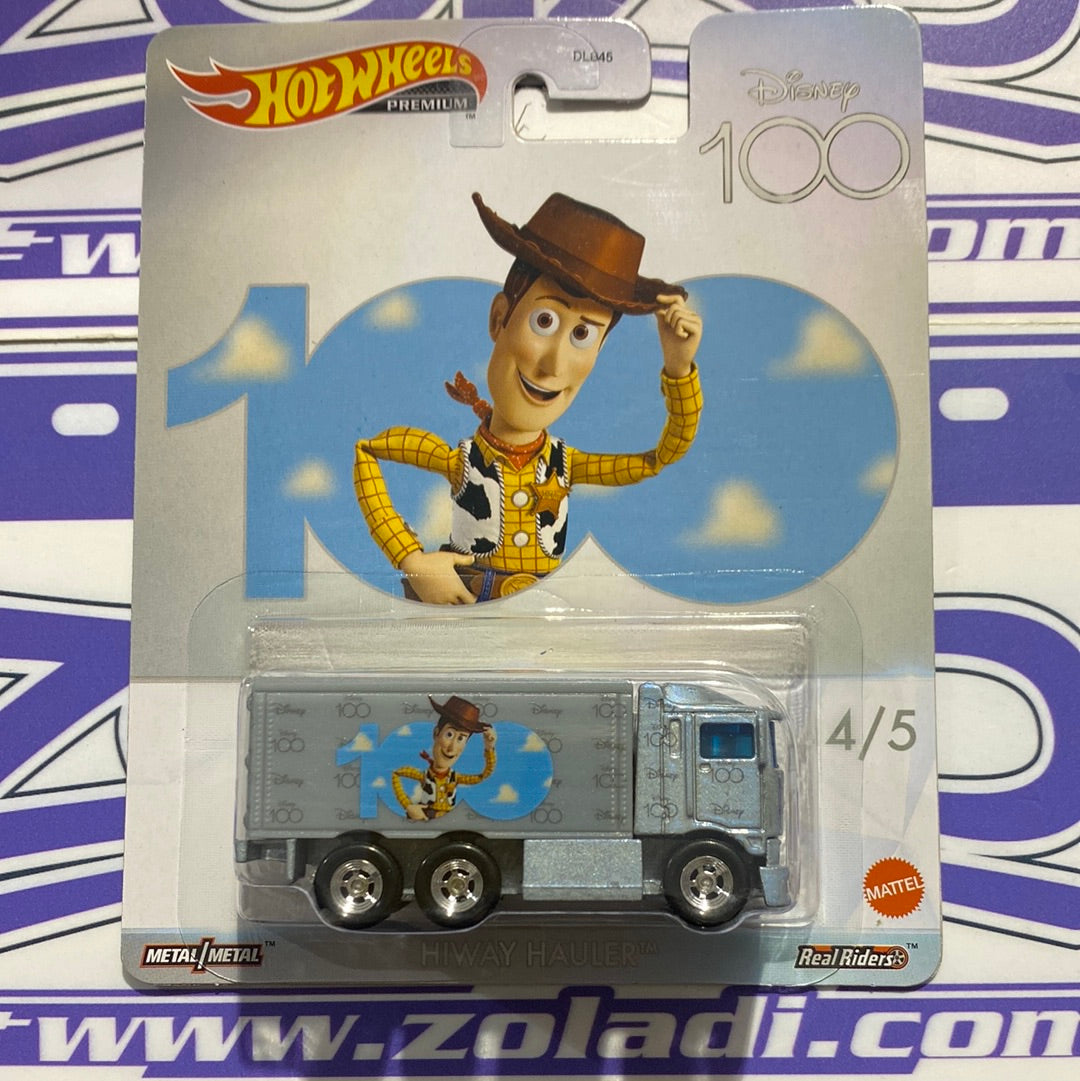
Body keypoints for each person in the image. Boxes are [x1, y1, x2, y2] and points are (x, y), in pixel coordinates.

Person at [354, 191, 703, 603]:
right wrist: (412, 558)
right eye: (544, 321)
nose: (553, 365)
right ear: (500, 317)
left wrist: (679, 368)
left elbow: (660, 457)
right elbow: (368, 451)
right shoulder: (461, 460)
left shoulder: (567, 465)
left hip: (543, 611)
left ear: (599, 351)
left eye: (582, 334)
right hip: (465, 601)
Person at [392, 696, 496, 820]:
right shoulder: (424, 776)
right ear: (436, 733)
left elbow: (483, 775)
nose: (452, 748)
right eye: (449, 734)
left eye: (461, 738)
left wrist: (489, 748)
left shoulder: (455, 778)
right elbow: (397, 773)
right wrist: (408, 806)